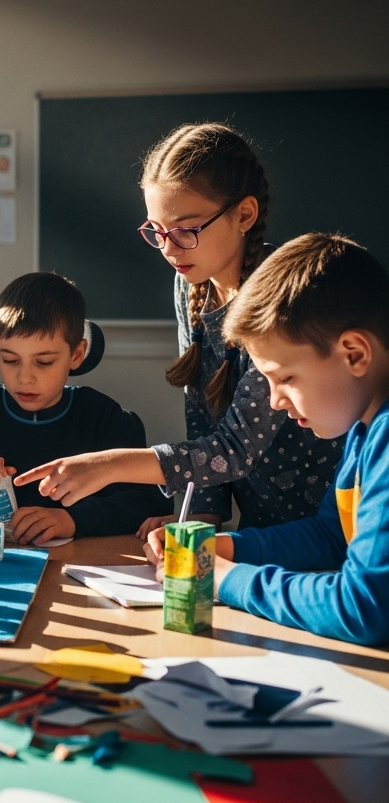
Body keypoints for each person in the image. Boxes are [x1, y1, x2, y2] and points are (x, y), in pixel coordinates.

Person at [14, 123, 341, 534]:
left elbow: (235, 447)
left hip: (327, 524)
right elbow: (201, 415)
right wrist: (202, 514)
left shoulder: (280, 295)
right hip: (260, 525)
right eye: (157, 230)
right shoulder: (190, 283)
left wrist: (109, 465)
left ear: (244, 214)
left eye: (185, 230)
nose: (168, 248)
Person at [144, 234, 389, 646]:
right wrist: (226, 547)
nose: (275, 401)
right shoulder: (363, 430)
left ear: (354, 354)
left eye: (285, 378)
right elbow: (332, 538)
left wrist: (226, 579)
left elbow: (363, 608)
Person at [0, 272, 168, 544]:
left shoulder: (103, 418)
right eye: (10, 360)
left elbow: (150, 503)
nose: (25, 378)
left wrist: (74, 520)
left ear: (77, 354)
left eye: (44, 362)